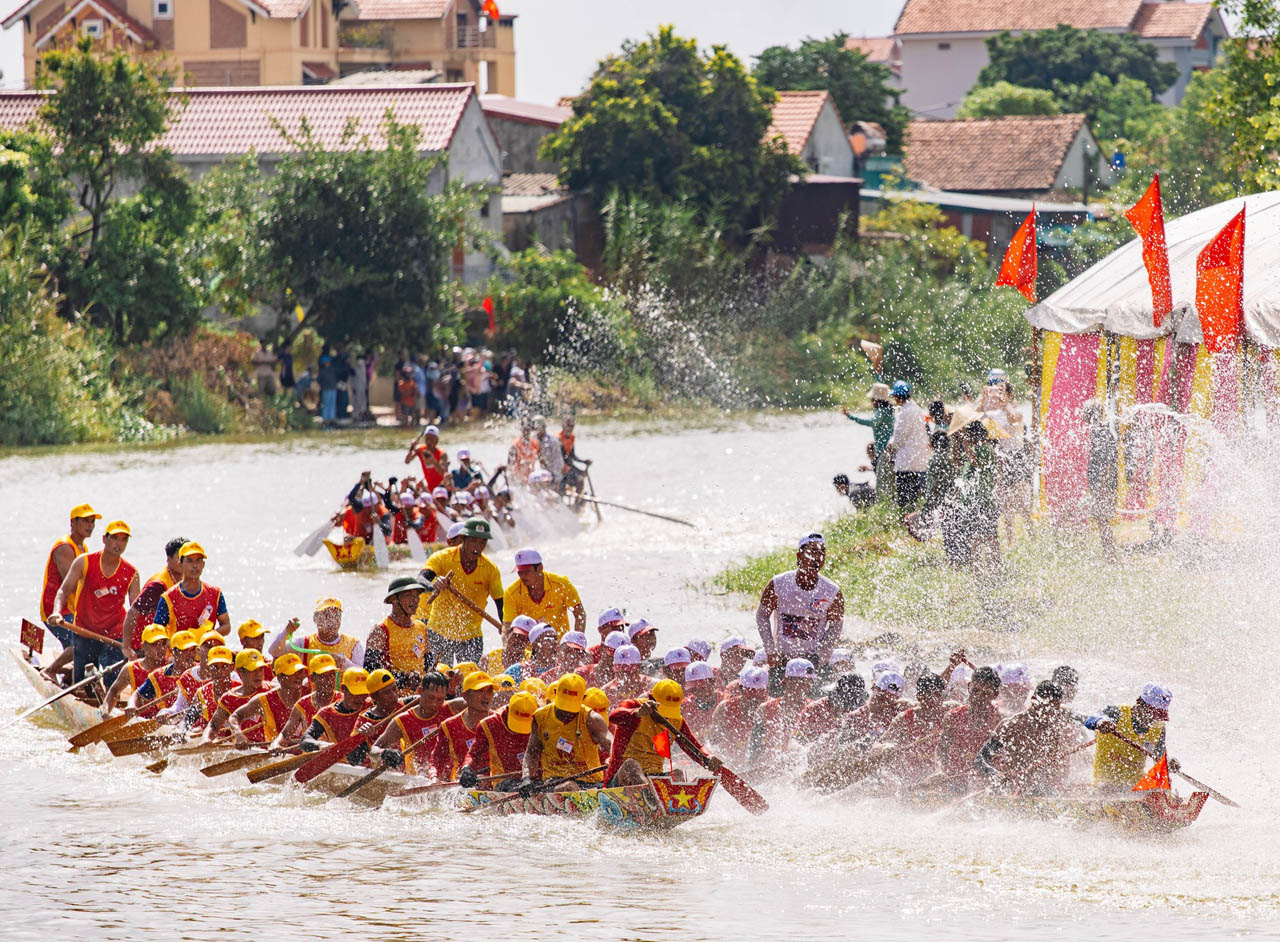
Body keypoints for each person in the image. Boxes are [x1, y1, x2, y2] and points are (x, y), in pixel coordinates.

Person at [49, 520, 140, 684]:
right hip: (84, 629)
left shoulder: (132, 573)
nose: (119, 544)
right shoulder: (84, 561)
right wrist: (56, 612)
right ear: (104, 539)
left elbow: (135, 611)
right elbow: (63, 591)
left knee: (112, 679)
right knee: (83, 683)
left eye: (123, 539)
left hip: (115, 633)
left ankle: (108, 701)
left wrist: (137, 640)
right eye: (114, 538)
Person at [418, 518, 504, 665]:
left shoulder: (491, 570)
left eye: (482, 542)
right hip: (439, 632)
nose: (478, 547)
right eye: (474, 541)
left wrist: (506, 627)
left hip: (472, 636)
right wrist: (434, 586)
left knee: (471, 682)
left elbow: (501, 604)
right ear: (463, 539)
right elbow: (420, 580)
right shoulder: (442, 558)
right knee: (441, 678)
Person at [755, 533, 845, 675]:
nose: (817, 558)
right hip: (780, 660)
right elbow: (762, 616)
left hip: (814, 664)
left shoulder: (832, 591)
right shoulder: (778, 584)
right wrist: (770, 650)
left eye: (822, 553)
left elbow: (836, 626)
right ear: (799, 556)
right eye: (812, 552)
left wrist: (820, 656)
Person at [605, 681, 723, 786]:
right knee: (631, 765)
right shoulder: (634, 706)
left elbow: (694, 747)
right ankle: (652, 795)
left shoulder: (677, 720)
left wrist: (708, 757)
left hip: (653, 778)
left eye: (670, 711)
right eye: (664, 710)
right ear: (651, 699)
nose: (666, 716)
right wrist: (636, 713)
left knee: (677, 775)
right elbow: (613, 716)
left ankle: (665, 802)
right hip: (620, 780)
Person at [976, 681, 1078, 794]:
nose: (1050, 714)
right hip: (1017, 788)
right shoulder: (1011, 725)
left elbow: (1084, 718)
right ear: (1034, 699)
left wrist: (1098, 723)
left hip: (1049, 789)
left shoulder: (1056, 723)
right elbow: (980, 759)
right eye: (1046, 707)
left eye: (1055, 709)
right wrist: (994, 773)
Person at [39, 502, 99, 682]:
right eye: (85, 521)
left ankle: (69, 680)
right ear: (73, 523)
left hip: (73, 610)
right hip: (56, 609)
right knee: (79, 644)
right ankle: (50, 670)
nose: (90, 525)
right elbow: (71, 583)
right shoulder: (65, 547)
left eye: (92, 521)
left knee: (83, 647)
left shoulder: (83, 548)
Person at [521, 674, 611, 792]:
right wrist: (527, 778)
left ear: (583, 698)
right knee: (569, 786)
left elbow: (612, 744)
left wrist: (612, 757)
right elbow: (532, 753)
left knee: (630, 766)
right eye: (564, 705)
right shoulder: (540, 717)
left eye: (571, 707)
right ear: (555, 692)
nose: (567, 712)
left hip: (591, 783)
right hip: (555, 782)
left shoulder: (592, 719)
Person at [1082, 683, 1176, 791]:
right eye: (1150, 714)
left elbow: (1159, 756)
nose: (1152, 720)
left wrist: (1167, 764)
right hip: (1104, 784)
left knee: (1162, 788)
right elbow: (1089, 720)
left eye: (1157, 716)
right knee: (1106, 788)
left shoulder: (1158, 727)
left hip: (1135, 787)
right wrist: (1100, 723)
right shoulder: (1116, 713)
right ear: (1139, 703)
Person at [941, 407, 1002, 571]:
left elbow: (976, 462)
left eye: (968, 435)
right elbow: (957, 463)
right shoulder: (972, 451)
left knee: (989, 537)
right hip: (971, 502)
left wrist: (964, 441)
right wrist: (956, 441)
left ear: (975, 436)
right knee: (975, 537)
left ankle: (993, 568)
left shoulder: (985, 450)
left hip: (984, 501)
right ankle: (978, 571)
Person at [372, 670, 457, 775]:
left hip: (449, 779)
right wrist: (384, 753)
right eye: (431, 697)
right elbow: (373, 751)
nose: (435, 704)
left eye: (440, 699)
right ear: (420, 691)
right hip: (418, 779)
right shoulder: (403, 720)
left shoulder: (451, 708)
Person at [934, 666, 1003, 787]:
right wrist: (940, 771)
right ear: (969, 686)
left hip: (988, 782)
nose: (979, 697)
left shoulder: (1001, 720)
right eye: (975, 690)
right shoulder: (952, 717)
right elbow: (941, 750)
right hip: (955, 779)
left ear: (995, 694)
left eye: (986, 693)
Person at [121, 536, 186, 660]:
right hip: (144, 647)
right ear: (168, 559)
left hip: (166, 644)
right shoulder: (158, 586)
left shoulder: (186, 582)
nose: (183, 562)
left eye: (186, 558)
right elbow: (132, 613)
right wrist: (126, 647)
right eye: (179, 557)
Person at [458, 690, 538, 790]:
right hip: (505, 783)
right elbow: (475, 755)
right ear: (508, 709)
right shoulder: (489, 725)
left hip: (532, 780)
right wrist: (467, 768)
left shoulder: (541, 720)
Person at [502, 548, 586, 638]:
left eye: (527, 572)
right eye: (520, 572)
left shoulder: (561, 585)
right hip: (529, 650)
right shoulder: (511, 593)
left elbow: (580, 614)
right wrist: (507, 644)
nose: (523, 576)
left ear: (540, 568)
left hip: (559, 647)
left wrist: (575, 644)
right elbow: (508, 626)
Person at [364, 576, 430, 691]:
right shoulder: (380, 630)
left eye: (417, 595)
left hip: (421, 694)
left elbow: (429, 665)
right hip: (393, 696)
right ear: (394, 599)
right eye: (409, 595)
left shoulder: (422, 628)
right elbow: (371, 670)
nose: (415, 600)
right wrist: (404, 679)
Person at [152, 542, 230, 637]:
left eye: (198, 561)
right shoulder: (168, 598)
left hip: (206, 650)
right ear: (180, 564)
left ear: (203, 564)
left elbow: (226, 626)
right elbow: (157, 633)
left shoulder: (215, 593)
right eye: (189, 561)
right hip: (178, 650)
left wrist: (207, 637)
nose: (195, 566)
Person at [230, 652, 309, 746]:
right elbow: (235, 716)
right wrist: (238, 734)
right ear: (280, 678)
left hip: (307, 752)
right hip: (277, 754)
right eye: (292, 673)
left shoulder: (310, 695)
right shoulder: (265, 700)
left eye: (300, 672)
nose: (298, 677)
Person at [431, 671, 496, 781]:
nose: (486, 696)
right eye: (480, 691)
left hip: (494, 785)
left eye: (489, 691)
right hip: (463, 785)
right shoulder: (449, 726)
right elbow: (436, 761)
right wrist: (434, 778)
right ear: (465, 696)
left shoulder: (498, 722)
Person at [300, 668, 372, 760]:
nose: (360, 698)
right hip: (341, 768)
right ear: (343, 689)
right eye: (356, 693)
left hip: (368, 766)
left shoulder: (372, 706)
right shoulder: (326, 713)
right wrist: (319, 744)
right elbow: (304, 741)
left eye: (364, 693)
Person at [754, 658, 818, 758]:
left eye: (809, 681)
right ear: (786, 680)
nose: (804, 685)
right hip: (770, 764)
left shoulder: (814, 709)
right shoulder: (765, 708)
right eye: (800, 681)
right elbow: (754, 744)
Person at [129, 630, 199, 717]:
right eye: (185, 650)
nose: (190, 654)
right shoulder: (158, 676)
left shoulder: (201, 673)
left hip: (194, 725)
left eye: (193, 650)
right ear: (173, 652)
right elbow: (138, 695)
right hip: (166, 722)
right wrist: (132, 705)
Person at [204, 649, 271, 742]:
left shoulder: (271, 690)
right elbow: (213, 726)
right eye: (253, 670)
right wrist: (206, 739)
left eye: (261, 669)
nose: (258, 674)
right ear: (239, 671)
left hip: (272, 748)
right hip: (244, 750)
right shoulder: (228, 698)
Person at [274, 654, 340, 747]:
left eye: (332, 675)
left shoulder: (343, 701)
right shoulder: (302, 704)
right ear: (312, 678)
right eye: (323, 676)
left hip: (340, 759)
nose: (329, 680)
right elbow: (285, 735)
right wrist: (276, 744)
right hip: (312, 756)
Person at [102, 625, 170, 714]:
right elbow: (114, 691)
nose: (161, 648)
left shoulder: (171, 666)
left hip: (166, 720)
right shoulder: (131, 668)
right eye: (154, 644)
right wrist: (105, 712)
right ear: (143, 646)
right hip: (140, 720)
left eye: (163, 643)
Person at [1082, 398, 1120, 561]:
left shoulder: (1101, 433)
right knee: (1101, 518)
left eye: (1084, 412)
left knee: (1102, 518)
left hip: (1104, 484)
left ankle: (1110, 555)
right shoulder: (1101, 431)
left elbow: (1107, 463)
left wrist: (1102, 486)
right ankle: (1109, 553)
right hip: (1102, 483)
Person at [843, 383, 895, 498]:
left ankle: (884, 504)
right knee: (887, 481)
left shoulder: (881, 412)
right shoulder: (888, 409)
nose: (871, 402)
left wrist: (851, 417)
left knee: (883, 484)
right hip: (886, 449)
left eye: (872, 399)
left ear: (876, 400)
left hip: (883, 450)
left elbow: (870, 422)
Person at [709, 666, 770, 764]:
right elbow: (712, 741)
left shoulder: (771, 707)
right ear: (741, 689)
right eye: (750, 692)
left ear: (767, 689)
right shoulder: (724, 707)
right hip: (732, 763)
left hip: (763, 765)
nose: (755, 698)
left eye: (759, 692)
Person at [887, 381, 930, 508]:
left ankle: (905, 521)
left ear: (897, 397)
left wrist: (891, 445)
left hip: (907, 463)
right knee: (917, 498)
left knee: (905, 500)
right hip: (919, 461)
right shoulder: (917, 409)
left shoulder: (905, 412)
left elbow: (899, 438)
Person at [796, 673, 867, 742]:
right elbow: (796, 739)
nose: (839, 709)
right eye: (836, 702)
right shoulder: (814, 709)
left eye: (845, 706)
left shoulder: (858, 715)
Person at [405, 425, 449, 490]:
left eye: (431, 439)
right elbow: (407, 461)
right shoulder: (420, 450)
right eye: (427, 438)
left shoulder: (442, 454)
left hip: (441, 488)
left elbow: (443, 472)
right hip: (428, 488)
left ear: (437, 440)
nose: (429, 441)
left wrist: (434, 461)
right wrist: (412, 448)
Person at [680, 662, 720, 730]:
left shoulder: (724, 703)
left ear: (713, 681)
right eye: (694, 687)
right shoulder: (684, 705)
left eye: (702, 687)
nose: (698, 690)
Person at [317, 354, 339, 426]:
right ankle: (325, 419)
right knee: (326, 404)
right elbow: (319, 380)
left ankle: (331, 419)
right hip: (326, 389)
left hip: (333, 389)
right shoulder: (322, 371)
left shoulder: (333, 369)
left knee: (332, 404)